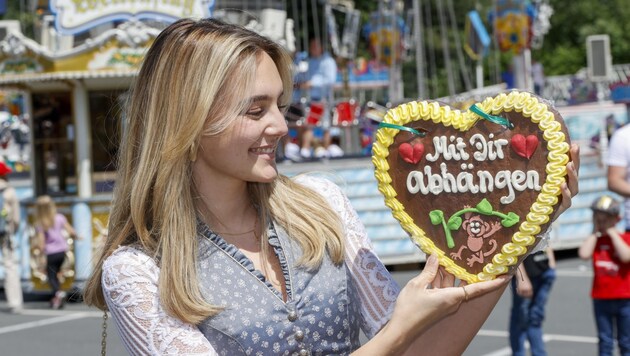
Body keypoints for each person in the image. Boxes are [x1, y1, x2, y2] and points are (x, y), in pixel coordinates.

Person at [82, 18, 579, 355]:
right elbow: (396, 341)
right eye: (255, 111)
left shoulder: (322, 203)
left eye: (281, 105)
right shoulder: (138, 271)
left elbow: (422, 351)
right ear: (184, 124)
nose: (280, 125)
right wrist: (397, 331)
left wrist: (516, 231)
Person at [578, 195, 630, 356]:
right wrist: (595, 232)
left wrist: (612, 233)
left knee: (626, 341)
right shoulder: (596, 241)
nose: (601, 223)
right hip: (601, 298)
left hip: (625, 299)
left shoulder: (624, 238)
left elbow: (626, 256)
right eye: (598, 219)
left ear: (617, 219)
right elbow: (584, 254)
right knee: (605, 340)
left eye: (606, 219)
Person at [294, 37, 338, 158]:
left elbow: (330, 80)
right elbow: (301, 76)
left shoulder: (328, 61)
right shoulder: (307, 61)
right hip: (308, 99)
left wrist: (311, 83)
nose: (313, 49)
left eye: (315, 46)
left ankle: (325, 147)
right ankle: (306, 147)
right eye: (312, 46)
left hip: (322, 98)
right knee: (308, 124)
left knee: (325, 125)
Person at [509, 247, 556, 356]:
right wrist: (521, 278)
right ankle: (518, 353)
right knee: (520, 319)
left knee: (536, 318)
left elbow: (546, 237)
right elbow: (512, 246)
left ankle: (539, 353)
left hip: (544, 270)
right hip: (527, 275)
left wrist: (551, 264)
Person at [34, 195, 79, 309]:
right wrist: (77, 236)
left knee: (51, 276)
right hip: (62, 251)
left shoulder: (41, 223)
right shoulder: (59, 217)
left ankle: (58, 293)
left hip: (51, 253)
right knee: (57, 273)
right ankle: (56, 299)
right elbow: (71, 231)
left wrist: (39, 252)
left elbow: (41, 242)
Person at [0, 160, 22, 313]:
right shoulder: (9, 191)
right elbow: (16, 219)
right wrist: (13, 230)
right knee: (10, 265)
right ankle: (15, 302)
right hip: (4, 232)